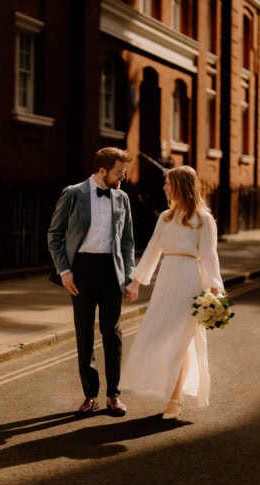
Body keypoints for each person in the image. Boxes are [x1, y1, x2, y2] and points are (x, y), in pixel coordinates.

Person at [121, 165, 224, 420]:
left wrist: (214, 288)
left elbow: (210, 257)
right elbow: (153, 250)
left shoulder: (204, 219)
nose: (165, 187)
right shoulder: (165, 216)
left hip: (190, 280)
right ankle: (168, 391)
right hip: (166, 280)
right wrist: (135, 282)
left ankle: (175, 399)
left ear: (180, 185)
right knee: (159, 337)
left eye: (168, 183)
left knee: (182, 341)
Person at [47, 147, 135, 416]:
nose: (123, 177)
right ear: (102, 170)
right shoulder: (73, 193)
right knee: (84, 333)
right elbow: (55, 234)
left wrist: (130, 276)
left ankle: (113, 395)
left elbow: (127, 242)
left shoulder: (122, 198)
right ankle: (90, 396)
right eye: (119, 172)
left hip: (111, 270)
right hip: (81, 270)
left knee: (112, 332)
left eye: (124, 172)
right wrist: (64, 271)